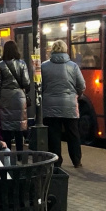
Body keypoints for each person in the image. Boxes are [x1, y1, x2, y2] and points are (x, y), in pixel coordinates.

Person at [41, 40, 86, 168]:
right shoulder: (73, 66)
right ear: (66, 50)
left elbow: (40, 86)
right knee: (73, 133)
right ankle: (76, 160)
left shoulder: (44, 66)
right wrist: (75, 95)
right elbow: (81, 85)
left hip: (49, 104)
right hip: (69, 104)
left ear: (52, 50)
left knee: (54, 135)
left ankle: (56, 162)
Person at [0, 40, 31, 152]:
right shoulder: (22, 64)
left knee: (6, 127)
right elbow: (26, 82)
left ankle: (8, 153)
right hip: (19, 97)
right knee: (19, 127)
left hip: (5, 98)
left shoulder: (0, 65)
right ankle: (20, 153)